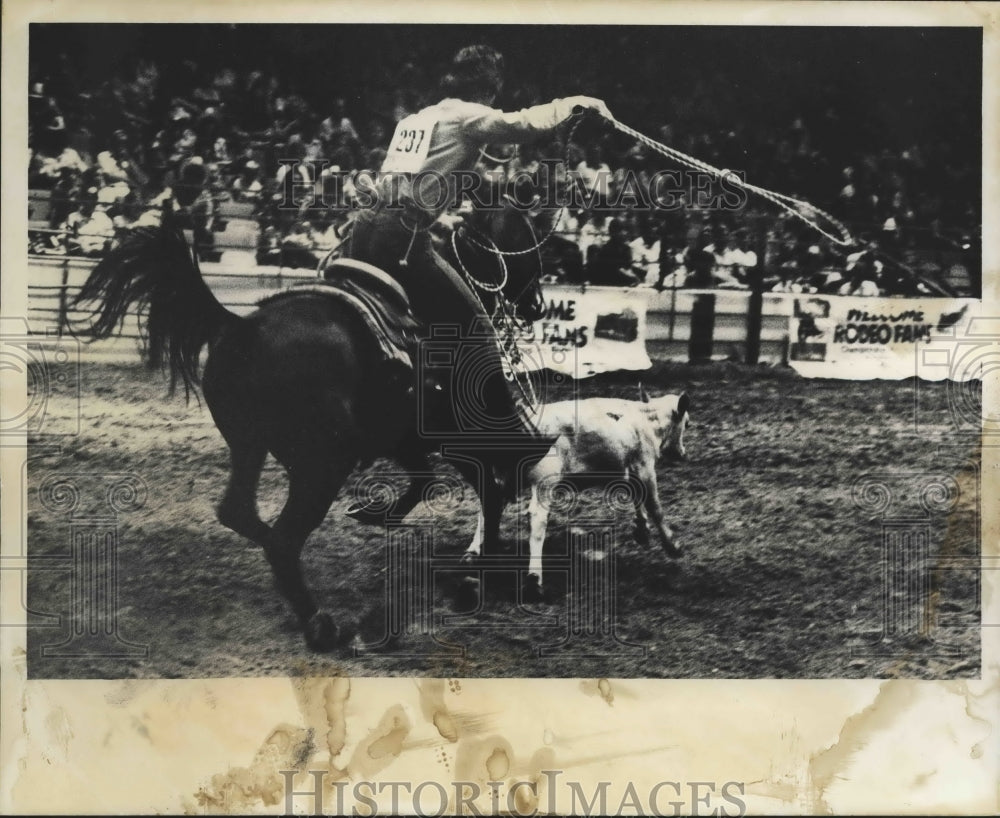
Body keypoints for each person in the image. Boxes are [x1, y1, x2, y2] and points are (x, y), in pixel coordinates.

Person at [342, 44, 612, 475]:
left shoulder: (416, 119)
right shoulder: (467, 116)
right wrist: (573, 105)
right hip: (402, 238)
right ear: (490, 87)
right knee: (478, 325)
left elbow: (411, 182)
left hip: (366, 231)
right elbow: (520, 123)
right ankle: (505, 433)